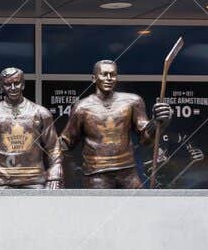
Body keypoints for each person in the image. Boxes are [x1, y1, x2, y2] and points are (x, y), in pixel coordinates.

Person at [60, 59, 171, 188]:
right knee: (100, 208)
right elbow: (66, 141)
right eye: (104, 74)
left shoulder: (133, 101)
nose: (109, 78)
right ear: (94, 78)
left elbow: (145, 139)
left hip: (128, 171)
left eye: (112, 75)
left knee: (139, 205)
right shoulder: (82, 107)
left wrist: (159, 123)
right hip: (96, 173)